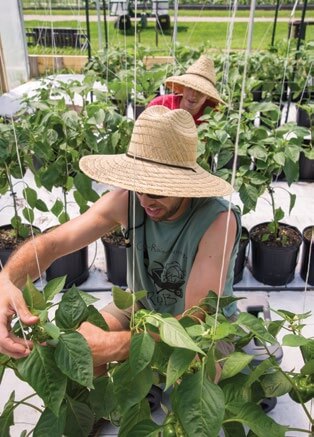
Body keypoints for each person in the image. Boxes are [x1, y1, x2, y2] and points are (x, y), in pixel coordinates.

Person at [0, 106, 240, 373]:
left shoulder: (217, 220)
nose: (146, 200)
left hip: (203, 327)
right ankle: (109, 411)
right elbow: (52, 244)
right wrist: (6, 281)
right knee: (79, 349)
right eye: (138, 186)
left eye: (158, 190)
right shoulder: (127, 201)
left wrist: (118, 345)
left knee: (201, 377)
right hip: (142, 305)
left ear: (185, 186)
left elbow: (197, 317)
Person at [147, 55, 224, 125]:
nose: (193, 95)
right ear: (183, 87)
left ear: (208, 96)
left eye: (200, 91)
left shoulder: (213, 112)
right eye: (190, 88)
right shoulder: (159, 105)